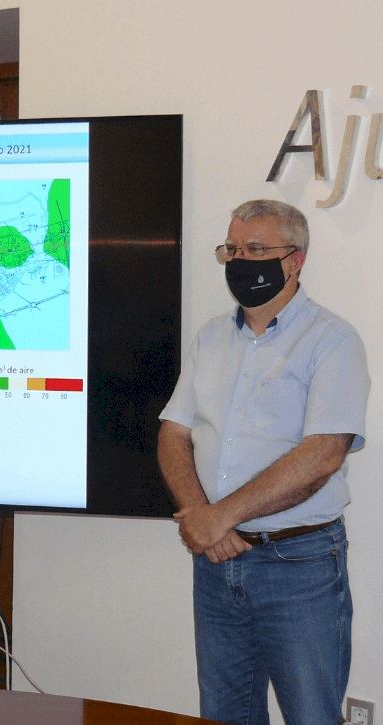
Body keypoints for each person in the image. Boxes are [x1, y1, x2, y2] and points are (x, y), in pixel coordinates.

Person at [158, 199, 369, 724]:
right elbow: (174, 433)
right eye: (231, 249)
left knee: (311, 715)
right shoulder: (211, 338)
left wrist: (220, 516)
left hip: (299, 565)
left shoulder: (332, 340)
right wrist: (202, 517)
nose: (239, 261)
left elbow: (322, 454)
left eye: (255, 249)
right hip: (216, 563)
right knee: (224, 713)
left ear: (294, 260)